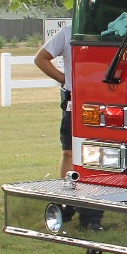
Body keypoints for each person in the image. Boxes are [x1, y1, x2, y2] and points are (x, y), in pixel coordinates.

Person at [33, 23, 103, 231]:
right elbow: (41, 58)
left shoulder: (112, 30)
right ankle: (66, 203)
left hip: (103, 98)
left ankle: (92, 214)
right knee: (69, 153)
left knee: (96, 155)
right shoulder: (68, 32)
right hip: (75, 99)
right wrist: (65, 80)